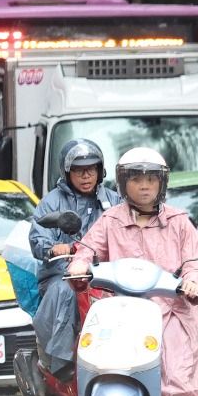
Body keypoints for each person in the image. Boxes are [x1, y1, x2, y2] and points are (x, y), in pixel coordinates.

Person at [66, 147, 198, 396]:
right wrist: (79, 264)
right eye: (136, 180)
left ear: (161, 184)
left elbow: (196, 261)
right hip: (125, 312)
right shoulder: (111, 220)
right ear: (123, 184)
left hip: (171, 311)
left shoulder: (178, 221)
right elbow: (87, 249)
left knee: (178, 374)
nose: (144, 187)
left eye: (150, 179)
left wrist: (192, 279)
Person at [29, 139, 122, 379]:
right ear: (67, 172)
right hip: (63, 274)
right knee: (67, 291)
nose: (85, 176)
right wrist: (53, 248)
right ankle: (60, 361)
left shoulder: (113, 201)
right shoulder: (51, 202)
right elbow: (38, 237)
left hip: (107, 274)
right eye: (79, 171)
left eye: (91, 169)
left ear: (100, 171)